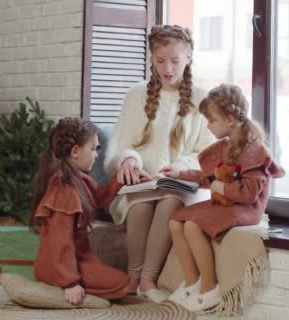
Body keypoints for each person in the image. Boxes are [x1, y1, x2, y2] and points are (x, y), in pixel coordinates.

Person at [104, 25, 215, 302]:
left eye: (175, 61)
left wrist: (180, 168)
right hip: (141, 182)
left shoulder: (202, 97)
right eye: (160, 60)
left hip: (183, 182)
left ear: (189, 57)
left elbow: (209, 152)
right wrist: (128, 159)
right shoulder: (136, 95)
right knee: (140, 205)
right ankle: (132, 278)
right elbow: (119, 145)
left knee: (169, 201)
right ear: (151, 58)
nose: (167, 68)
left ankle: (147, 280)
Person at [160, 84, 285, 312]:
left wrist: (220, 186)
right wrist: (180, 174)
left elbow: (248, 194)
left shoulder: (254, 150)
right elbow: (210, 177)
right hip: (227, 202)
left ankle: (210, 288)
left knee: (192, 226)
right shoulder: (224, 147)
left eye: (211, 120)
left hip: (247, 208)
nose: (208, 126)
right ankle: (192, 283)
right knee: (175, 220)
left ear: (230, 119)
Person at [30, 118, 143, 305]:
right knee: (122, 285)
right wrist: (70, 283)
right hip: (60, 264)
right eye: (93, 149)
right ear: (75, 151)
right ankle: (57, 282)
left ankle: (62, 281)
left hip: (79, 258)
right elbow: (60, 243)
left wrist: (124, 177)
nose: (96, 155)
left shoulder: (78, 180)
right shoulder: (64, 190)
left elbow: (99, 197)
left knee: (122, 283)